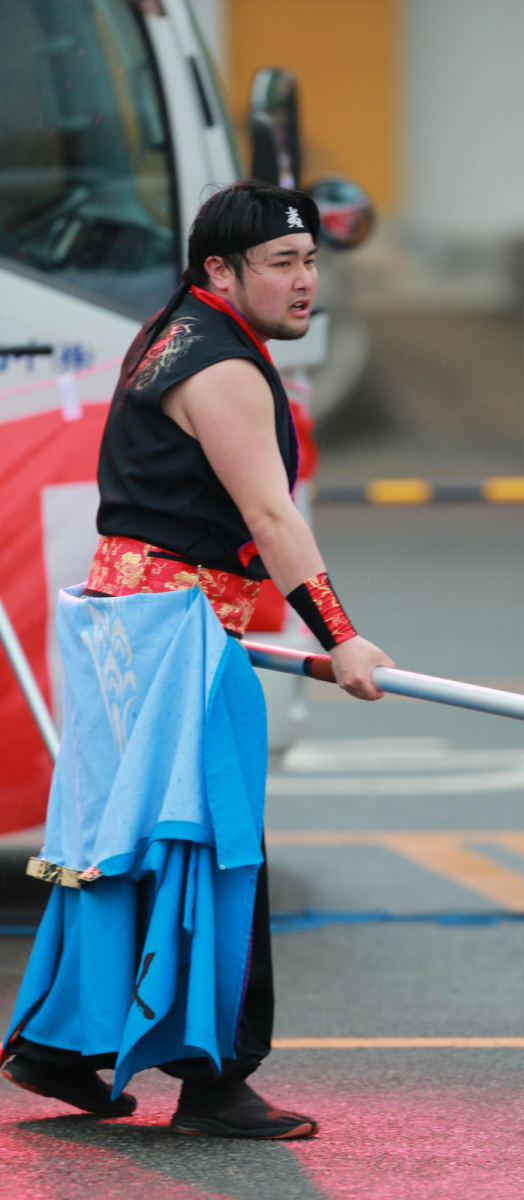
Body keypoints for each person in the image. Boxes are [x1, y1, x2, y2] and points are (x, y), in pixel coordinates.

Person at [1, 180, 394, 1138]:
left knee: (116, 847)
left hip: (128, 624)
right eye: (281, 266)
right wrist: (338, 636)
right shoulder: (221, 367)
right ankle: (216, 1082)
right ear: (220, 269)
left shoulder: (173, 328)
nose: (305, 284)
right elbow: (269, 515)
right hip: (175, 636)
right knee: (218, 856)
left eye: (310, 262)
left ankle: (58, 1047)